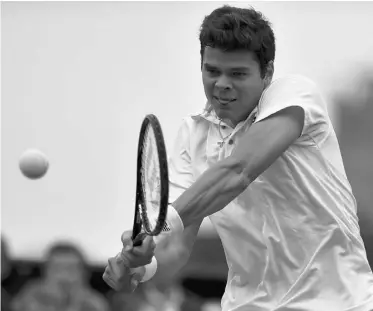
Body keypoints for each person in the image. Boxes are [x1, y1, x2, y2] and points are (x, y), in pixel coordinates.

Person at [103, 5, 373, 311]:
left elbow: (238, 171)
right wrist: (142, 268)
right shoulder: (191, 134)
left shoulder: (295, 95)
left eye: (238, 74)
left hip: (341, 304)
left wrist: (159, 224)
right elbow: (177, 247)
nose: (221, 84)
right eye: (212, 71)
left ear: (267, 72)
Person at [13, 241, 109, 311]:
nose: (64, 275)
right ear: (45, 271)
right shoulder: (29, 297)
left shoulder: (95, 304)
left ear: (84, 274)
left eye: (71, 269)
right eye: (57, 268)